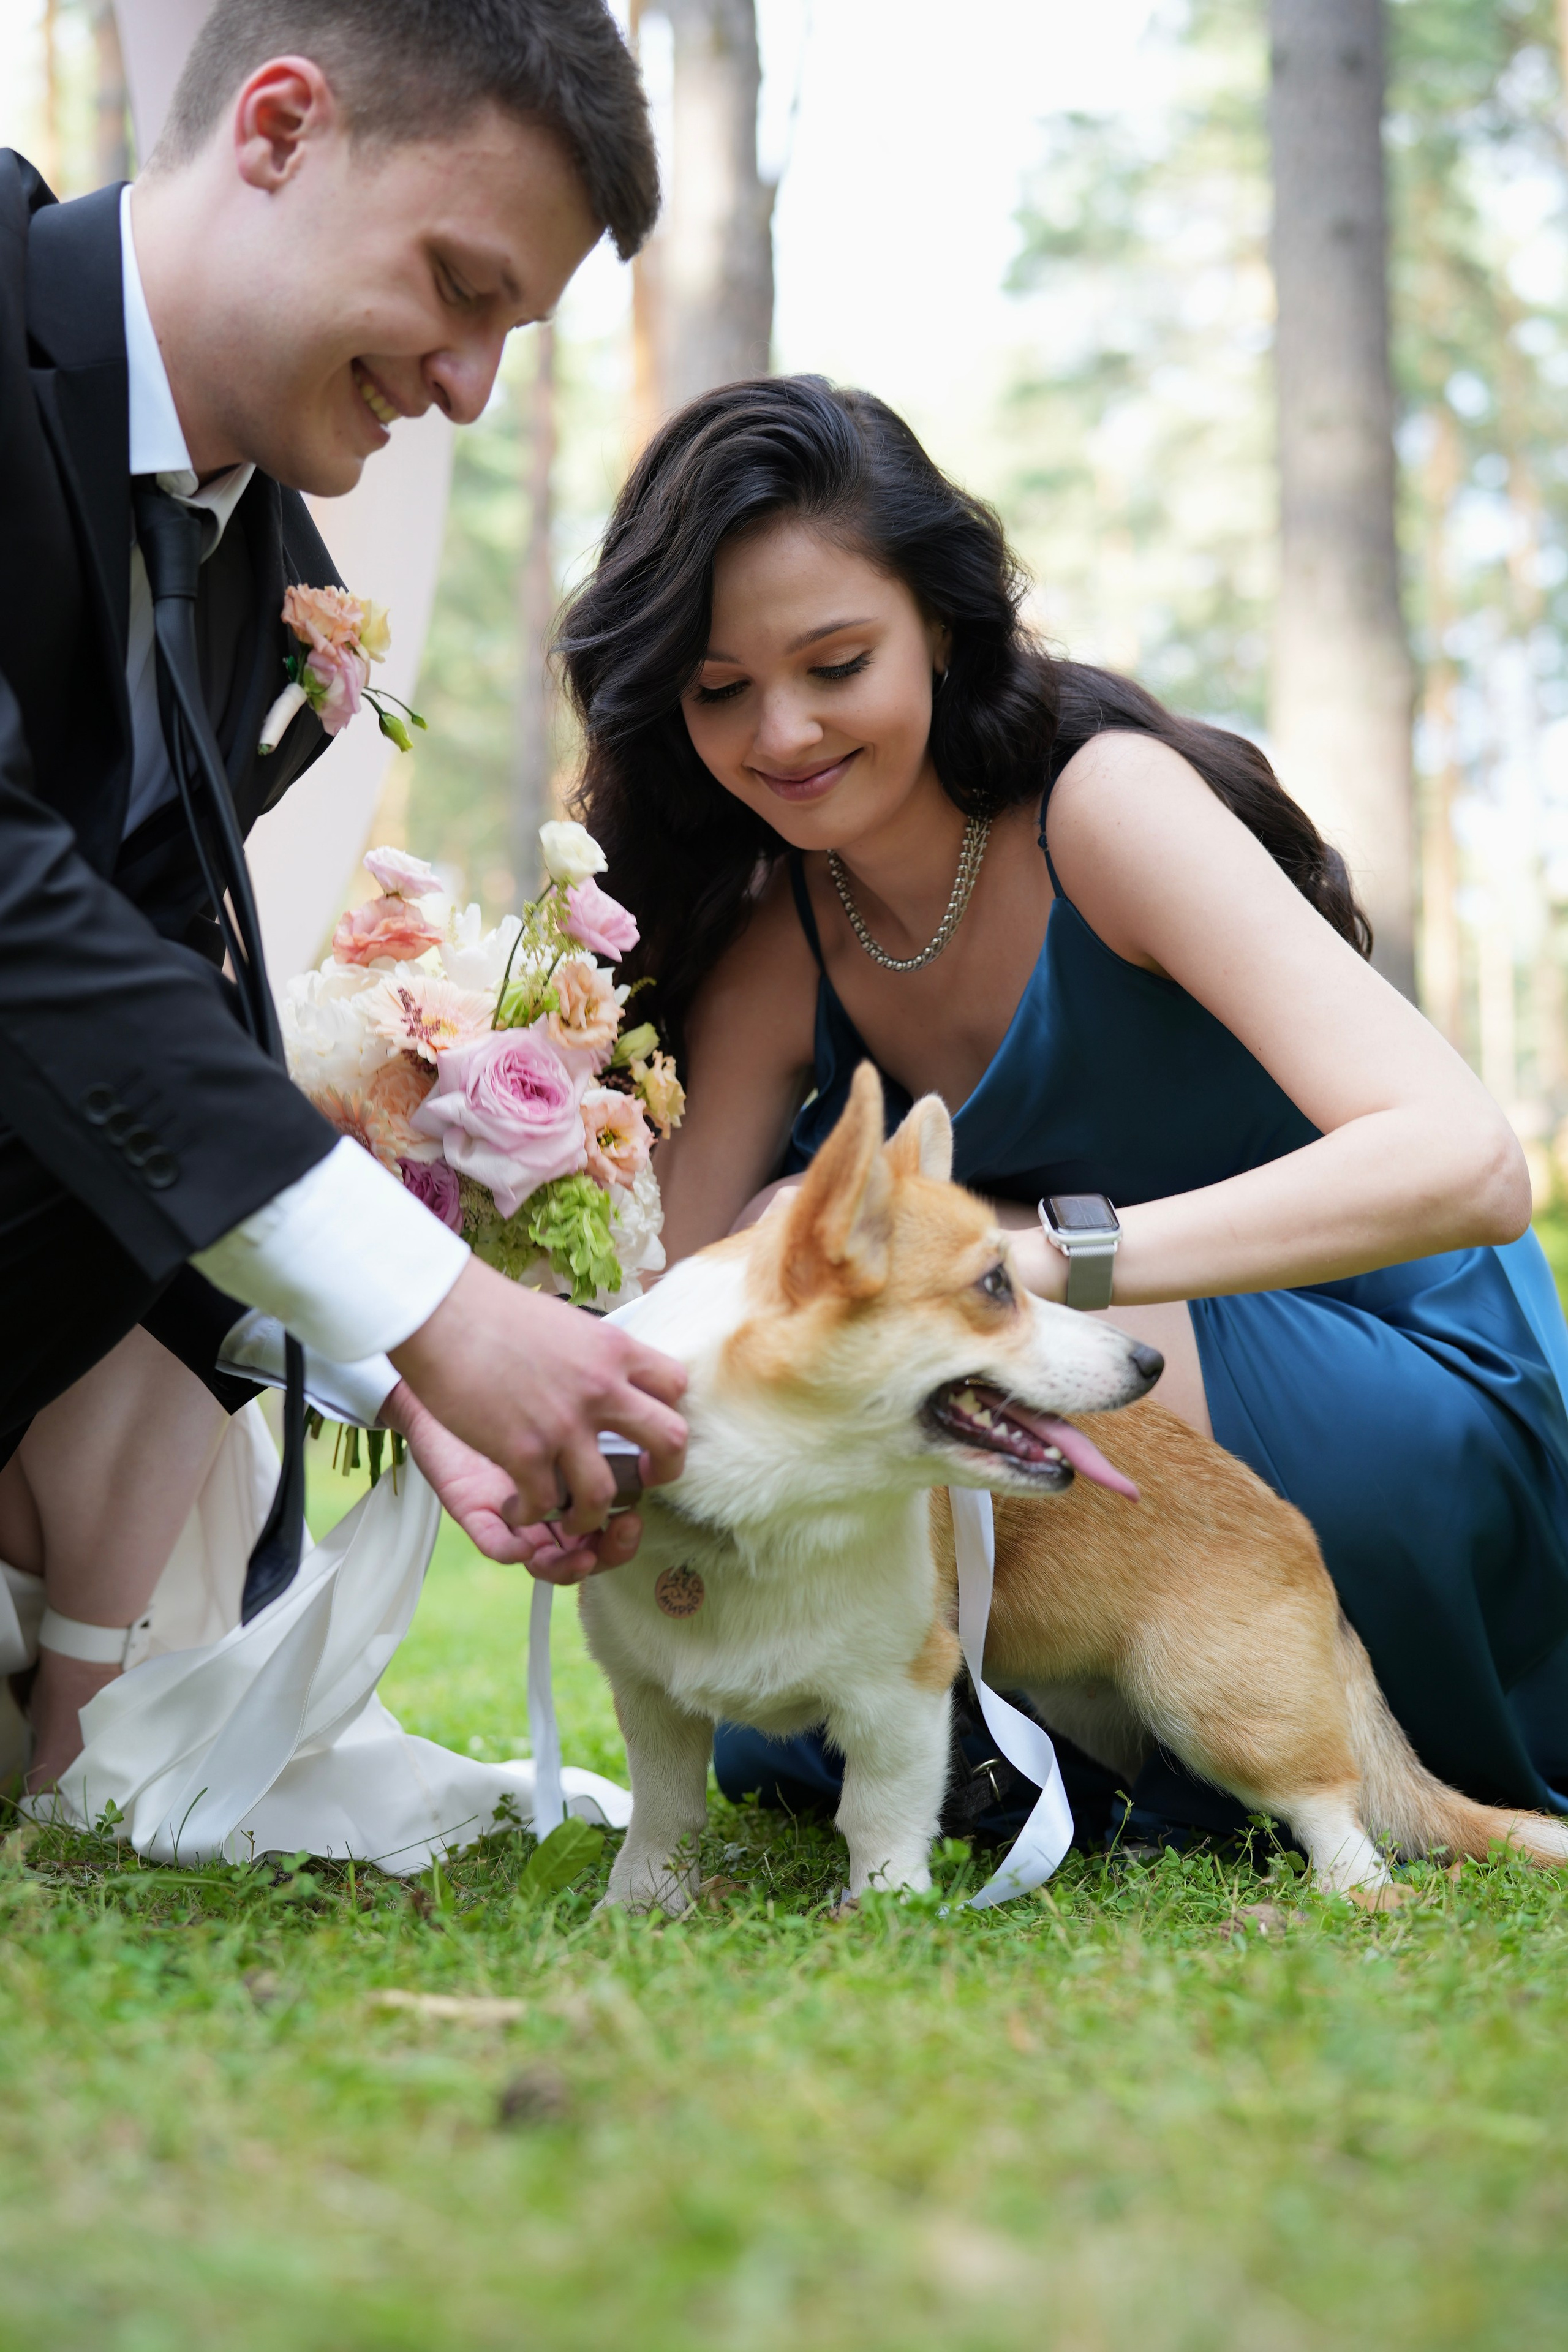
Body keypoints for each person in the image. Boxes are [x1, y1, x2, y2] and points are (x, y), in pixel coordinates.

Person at [552, 373, 1568, 1842]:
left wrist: (1026, 1263)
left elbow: (1468, 1166)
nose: (781, 731)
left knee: (941, 1345)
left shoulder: (1105, 809)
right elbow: (668, 1306)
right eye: (719, 691)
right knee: (786, 1712)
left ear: (940, 628)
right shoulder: (781, 933)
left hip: (1391, 1383)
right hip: (1077, 1407)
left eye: (835, 663)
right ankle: (1082, 1734)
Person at [0, 0, 687, 1796]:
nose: (468, 387)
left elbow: (126, 1083)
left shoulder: (254, 582)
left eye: (512, 335)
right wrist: (431, 1305)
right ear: (281, 127)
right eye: (459, 288)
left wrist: (402, 1375)